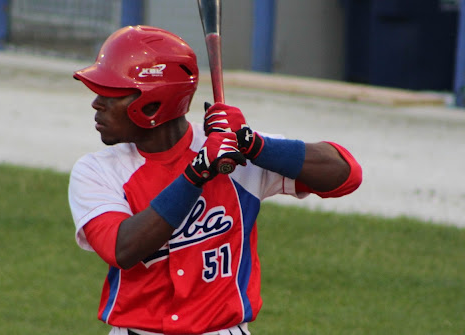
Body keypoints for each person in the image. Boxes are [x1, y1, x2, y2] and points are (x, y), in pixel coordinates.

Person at [68, 25, 362, 335]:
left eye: (112, 94)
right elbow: (122, 248)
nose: (96, 103)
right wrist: (196, 174)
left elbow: (346, 175)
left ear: (153, 103)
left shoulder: (232, 151)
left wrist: (255, 144)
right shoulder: (97, 171)